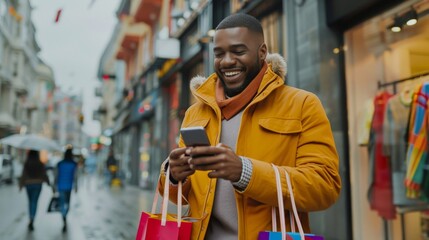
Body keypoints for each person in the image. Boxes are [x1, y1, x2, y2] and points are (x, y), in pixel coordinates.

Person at [159, 13, 342, 239]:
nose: (226, 61)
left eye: (238, 51)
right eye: (219, 54)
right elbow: (182, 197)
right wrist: (174, 176)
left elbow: (325, 188)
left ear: (262, 52)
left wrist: (244, 172)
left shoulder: (302, 104)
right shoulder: (196, 112)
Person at [19, 150, 51, 231]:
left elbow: (24, 174)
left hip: (28, 184)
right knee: (34, 202)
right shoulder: (40, 163)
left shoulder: (27, 163)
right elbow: (44, 174)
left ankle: (30, 217)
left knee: (30, 202)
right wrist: (48, 182)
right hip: (37, 184)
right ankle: (32, 218)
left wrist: (21, 185)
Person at [53, 146, 78, 232]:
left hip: (61, 186)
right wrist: (76, 186)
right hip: (69, 186)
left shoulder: (60, 164)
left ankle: (63, 216)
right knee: (67, 202)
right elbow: (75, 176)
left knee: (62, 202)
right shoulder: (74, 164)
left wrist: (54, 186)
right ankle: (65, 214)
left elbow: (56, 175)